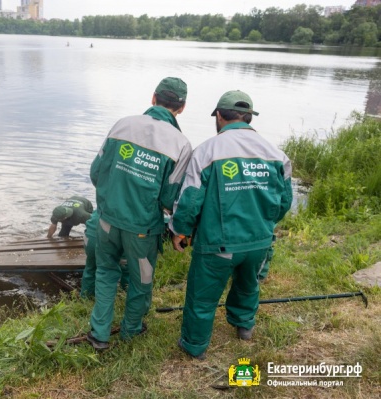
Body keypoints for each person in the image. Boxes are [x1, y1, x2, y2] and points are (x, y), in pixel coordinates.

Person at [169, 90, 293, 360]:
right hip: (260, 241)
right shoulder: (276, 154)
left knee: (202, 297)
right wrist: (262, 225)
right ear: (249, 117)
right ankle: (244, 326)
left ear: (219, 116)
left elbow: (190, 200)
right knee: (248, 284)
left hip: (217, 244)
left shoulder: (207, 151)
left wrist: (180, 230)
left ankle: (194, 346)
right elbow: (284, 203)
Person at [86, 77, 193, 349]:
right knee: (141, 280)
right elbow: (171, 198)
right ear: (181, 108)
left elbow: (96, 173)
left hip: (107, 221)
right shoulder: (180, 144)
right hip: (143, 230)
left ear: (153, 98)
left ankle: (98, 334)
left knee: (106, 273)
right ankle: (131, 330)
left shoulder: (122, 125)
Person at [80, 210, 129, 298]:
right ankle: (126, 294)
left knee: (90, 268)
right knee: (126, 269)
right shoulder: (132, 207)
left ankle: (85, 297)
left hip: (90, 237)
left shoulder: (104, 202)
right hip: (112, 237)